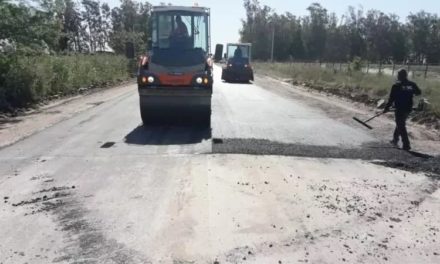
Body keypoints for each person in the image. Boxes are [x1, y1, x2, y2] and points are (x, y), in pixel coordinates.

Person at [384, 69, 421, 151]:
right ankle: (395, 139)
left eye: (398, 75)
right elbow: (418, 92)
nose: (397, 76)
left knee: (401, 125)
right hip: (408, 108)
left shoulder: (396, 86)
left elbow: (391, 98)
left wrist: (386, 108)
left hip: (400, 108)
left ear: (400, 76)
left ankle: (406, 144)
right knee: (400, 123)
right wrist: (410, 91)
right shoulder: (412, 84)